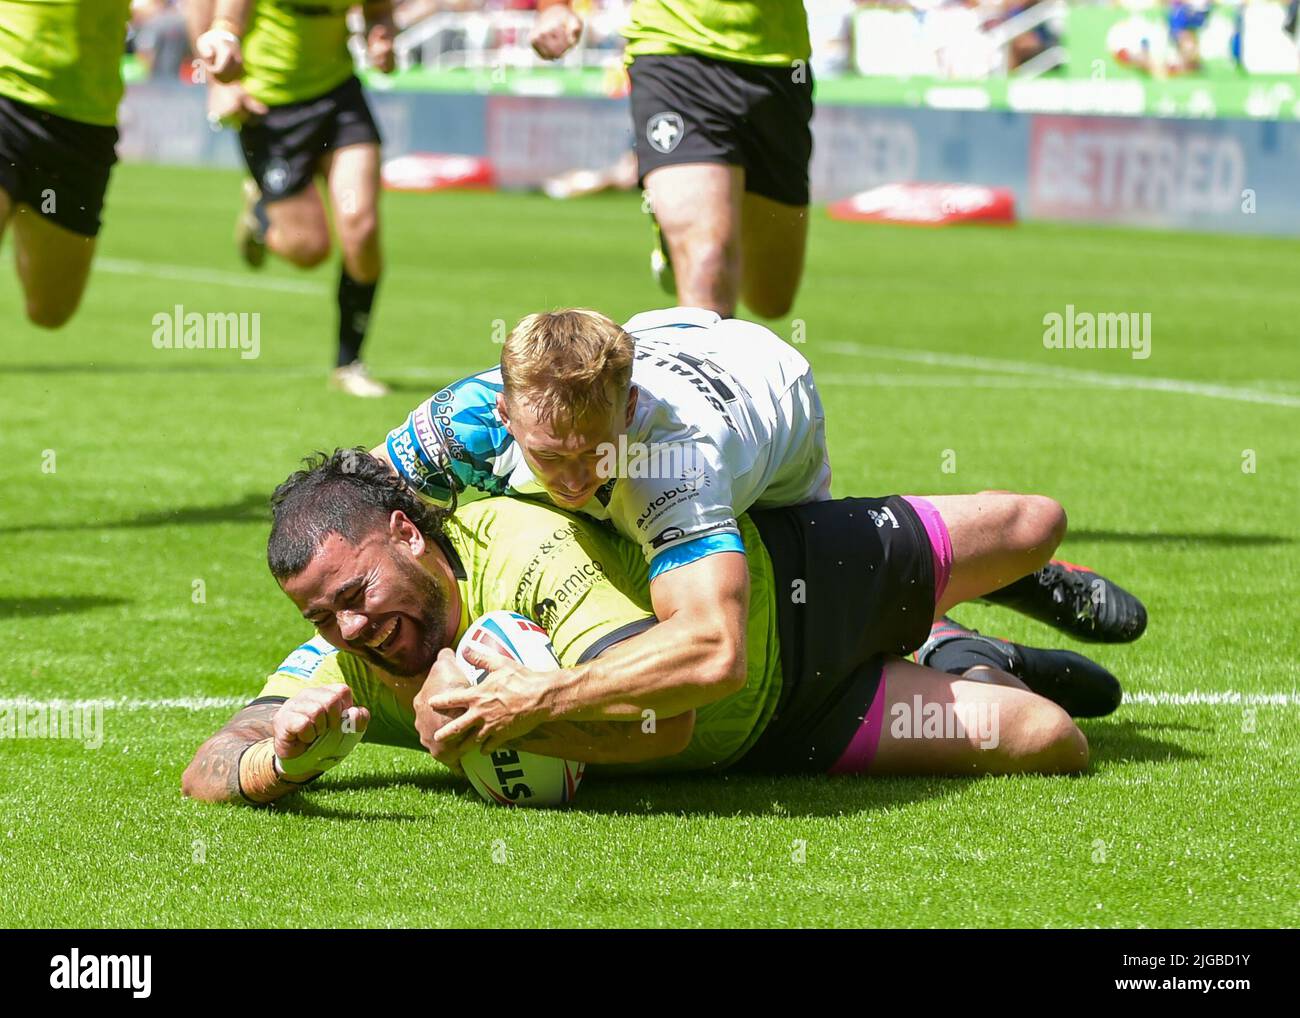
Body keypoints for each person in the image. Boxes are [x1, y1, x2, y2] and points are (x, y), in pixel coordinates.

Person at [373, 307, 1146, 735]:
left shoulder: (678, 460)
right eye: (550, 456)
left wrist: (538, 699)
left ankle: (986, 590)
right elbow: (348, 508)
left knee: (794, 581)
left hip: (771, 407)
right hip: (676, 335)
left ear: (631, 410)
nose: (573, 479)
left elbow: (714, 654)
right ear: (504, 413)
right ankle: (967, 643)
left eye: (592, 454)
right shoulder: (468, 419)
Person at [181, 449, 1106, 805]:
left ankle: (983, 593)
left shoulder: (526, 550)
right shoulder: (354, 664)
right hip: (789, 731)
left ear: (408, 535)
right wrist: (280, 761)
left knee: (1034, 523)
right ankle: (964, 651)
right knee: (1050, 740)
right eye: (321, 617)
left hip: (794, 583)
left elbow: (671, 717)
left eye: (355, 593)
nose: (350, 628)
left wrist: (510, 715)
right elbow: (212, 762)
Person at [530, 0, 815, 318]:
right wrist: (554, 7)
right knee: (708, 261)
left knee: (771, 299)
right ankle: (681, 226)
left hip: (779, 65)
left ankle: (675, 231)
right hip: (674, 52)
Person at [190, 0, 395, 396]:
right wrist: (219, 85)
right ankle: (261, 216)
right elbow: (222, 18)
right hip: (268, 108)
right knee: (309, 251)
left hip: (339, 98)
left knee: (361, 227)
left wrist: (381, 36)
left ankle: (348, 362)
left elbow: (379, 12)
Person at [0, 0, 132, 328]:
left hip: (82, 122)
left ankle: (19, 201)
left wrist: (221, 33)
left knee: (51, 309)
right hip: (5, 91)